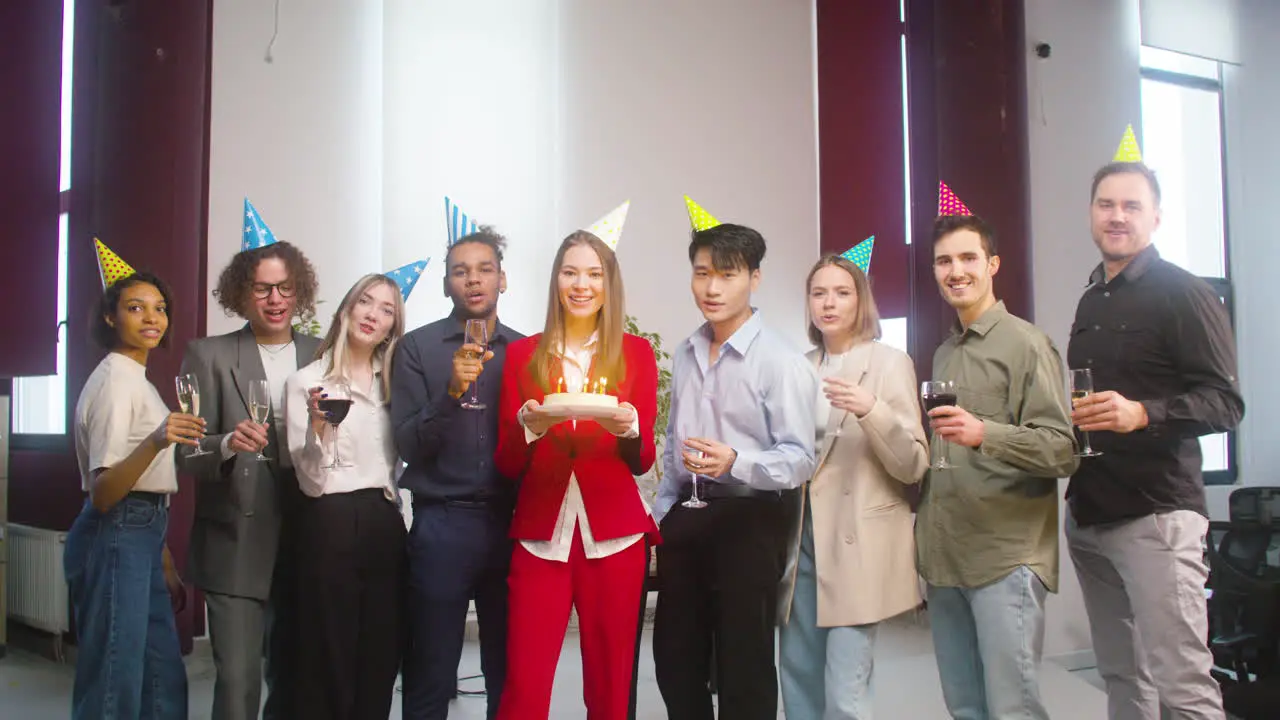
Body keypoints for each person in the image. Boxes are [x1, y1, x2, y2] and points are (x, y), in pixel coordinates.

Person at [1066, 161, 1244, 720]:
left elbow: (1226, 403)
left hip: (1157, 517)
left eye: (1131, 206)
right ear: (1091, 213)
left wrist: (1142, 413)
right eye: (1105, 205)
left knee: (1182, 685)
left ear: (1156, 217)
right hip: (1091, 513)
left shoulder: (1184, 293)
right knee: (1123, 677)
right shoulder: (1092, 299)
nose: (1116, 216)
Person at [653, 203, 818, 720]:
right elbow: (671, 444)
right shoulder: (684, 352)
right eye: (702, 273)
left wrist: (736, 462)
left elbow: (799, 459)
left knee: (743, 665)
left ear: (754, 278)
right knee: (674, 661)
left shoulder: (781, 360)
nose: (712, 288)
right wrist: (661, 517)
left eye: (727, 275)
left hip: (750, 521)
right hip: (687, 516)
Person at [915, 210, 1078, 720]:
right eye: (944, 261)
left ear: (993, 264)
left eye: (968, 258)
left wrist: (985, 433)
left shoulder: (1027, 344)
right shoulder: (944, 354)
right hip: (946, 558)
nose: (955, 271)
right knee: (965, 707)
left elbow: (1062, 449)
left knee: (1013, 708)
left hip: (1005, 558)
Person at [494, 230, 659, 720]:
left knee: (610, 686)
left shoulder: (636, 353)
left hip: (615, 536)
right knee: (523, 684)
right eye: (571, 272)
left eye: (594, 273)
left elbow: (642, 459)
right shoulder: (523, 356)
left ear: (609, 284)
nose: (581, 284)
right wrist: (528, 427)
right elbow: (506, 463)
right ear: (556, 281)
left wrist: (629, 427)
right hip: (541, 533)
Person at [178, 203, 321, 720]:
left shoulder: (323, 352)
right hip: (234, 544)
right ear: (242, 293)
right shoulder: (208, 355)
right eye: (262, 288)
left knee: (293, 679)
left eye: (284, 287)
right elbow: (186, 453)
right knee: (237, 685)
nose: (275, 299)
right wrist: (224, 443)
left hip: (306, 540)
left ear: (298, 290)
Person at [777, 253, 930, 720]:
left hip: (857, 544)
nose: (829, 303)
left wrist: (871, 409)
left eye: (842, 292)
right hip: (801, 542)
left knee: (846, 692)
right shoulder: (799, 366)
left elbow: (914, 464)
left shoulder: (889, 363)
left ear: (861, 300)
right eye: (819, 293)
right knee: (798, 680)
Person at [64, 251, 203, 719]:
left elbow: (147, 484)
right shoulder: (115, 382)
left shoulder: (135, 378)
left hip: (142, 531)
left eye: (159, 307)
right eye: (135, 307)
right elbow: (103, 493)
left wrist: (161, 556)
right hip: (117, 528)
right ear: (110, 316)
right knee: (114, 680)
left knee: (161, 672)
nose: (151, 317)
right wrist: (158, 437)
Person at [392, 225, 522, 720]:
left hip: (512, 525)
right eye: (460, 272)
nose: (473, 280)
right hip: (440, 524)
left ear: (502, 280)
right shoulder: (417, 349)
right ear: (447, 284)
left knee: (507, 674)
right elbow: (407, 444)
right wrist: (449, 393)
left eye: (485, 270)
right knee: (430, 673)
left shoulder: (526, 351)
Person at [284, 273, 408, 719]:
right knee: (328, 653)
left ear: (394, 326)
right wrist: (318, 434)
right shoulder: (306, 383)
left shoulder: (393, 385)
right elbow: (310, 481)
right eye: (366, 302)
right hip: (328, 520)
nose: (373, 314)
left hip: (383, 521)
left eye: (387, 309)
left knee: (381, 651)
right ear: (346, 310)